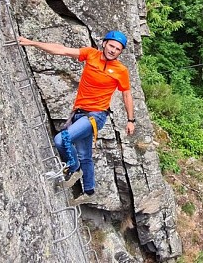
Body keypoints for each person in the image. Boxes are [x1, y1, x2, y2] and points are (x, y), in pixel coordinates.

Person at [18, 30, 136, 205]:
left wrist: (130, 120)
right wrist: (32, 43)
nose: (113, 50)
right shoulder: (90, 54)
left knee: (61, 139)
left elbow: (127, 95)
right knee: (85, 155)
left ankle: (73, 169)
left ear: (120, 52)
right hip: (80, 113)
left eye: (118, 49)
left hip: (96, 116)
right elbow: (62, 50)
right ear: (104, 43)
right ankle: (89, 191)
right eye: (111, 45)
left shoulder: (121, 70)